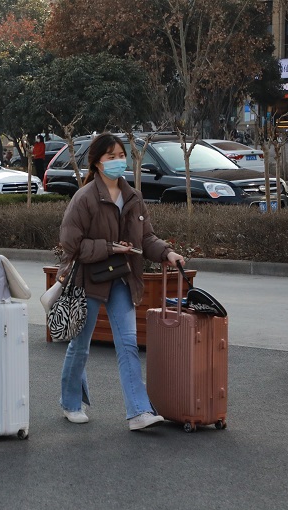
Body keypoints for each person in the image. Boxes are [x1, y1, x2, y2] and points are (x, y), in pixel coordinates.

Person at [58, 133, 185, 430]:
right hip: (88, 279)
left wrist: (167, 253)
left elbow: (146, 237)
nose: (118, 161)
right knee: (81, 345)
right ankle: (70, 402)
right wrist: (110, 247)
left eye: (120, 155)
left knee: (128, 343)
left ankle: (138, 411)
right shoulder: (84, 198)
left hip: (121, 278)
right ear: (97, 163)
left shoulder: (133, 197)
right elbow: (71, 245)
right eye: (111, 156)